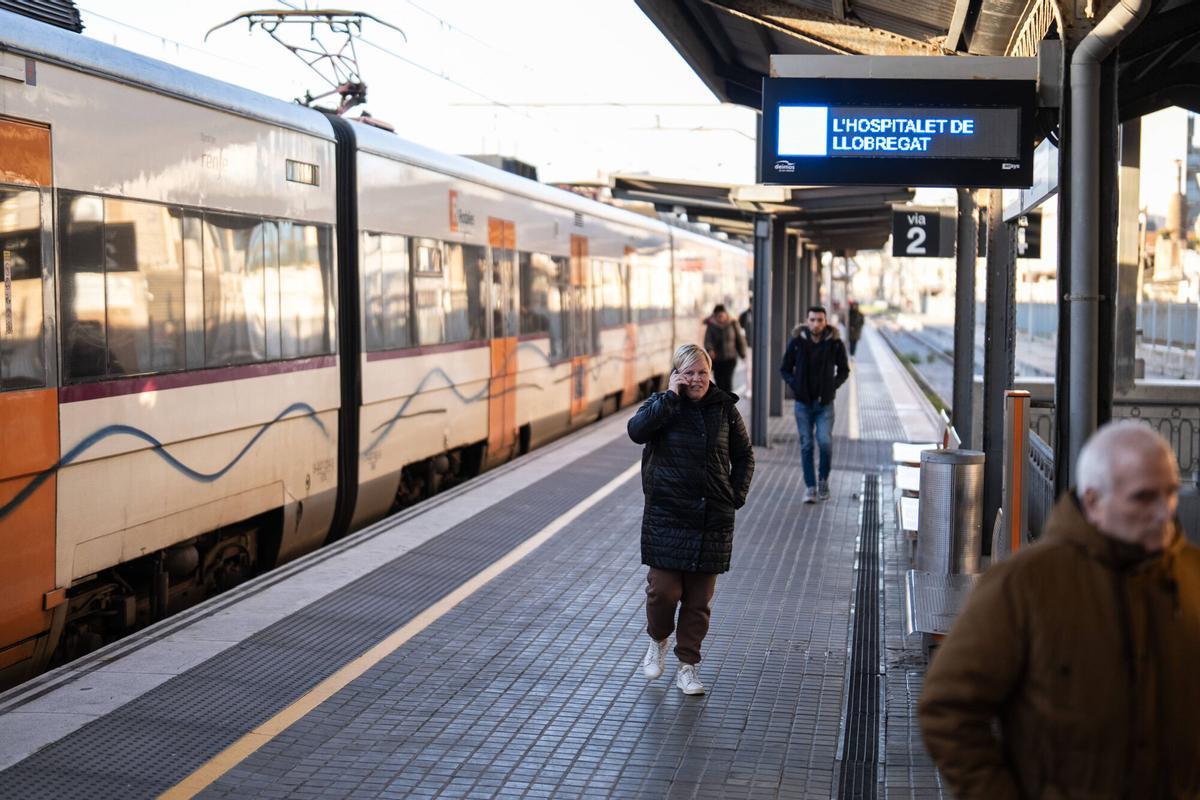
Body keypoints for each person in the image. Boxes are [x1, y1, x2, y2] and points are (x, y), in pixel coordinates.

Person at [919, 420, 1200, 799]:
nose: (1164, 512)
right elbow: (947, 707)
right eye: (1143, 497)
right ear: (1094, 501)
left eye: (1170, 493)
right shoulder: (1026, 583)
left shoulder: (1191, 576)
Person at [627, 343, 754, 696]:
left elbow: (744, 456)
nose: (697, 379)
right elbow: (636, 431)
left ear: (710, 373)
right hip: (667, 516)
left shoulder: (725, 409)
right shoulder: (661, 404)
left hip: (712, 518)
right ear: (676, 374)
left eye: (702, 372)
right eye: (689, 372)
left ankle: (688, 666)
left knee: (698, 603)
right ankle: (657, 640)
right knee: (663, 592)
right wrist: (669, 397)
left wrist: (735, 496)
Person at [779, 306, 849, 504]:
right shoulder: (797, 342)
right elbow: (784, 369)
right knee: (807, 445)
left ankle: (823, 481)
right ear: (806, 321)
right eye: (812, 320)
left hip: (825, 404)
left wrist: (831, 387)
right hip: (803, 404)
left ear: (825, 321)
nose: (816, 324)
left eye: (820, 320)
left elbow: (844, 370)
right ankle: (810, 487)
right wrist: (796, 386)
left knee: (825, 442)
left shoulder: (834, 343)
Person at [703, 304, 747, 393]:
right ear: (715, 316)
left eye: (722, 315)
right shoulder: (711, 326)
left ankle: (728, 404)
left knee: (728, 382)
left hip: (730, 359)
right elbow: (707, 341)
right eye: (718, 316)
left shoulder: (733, 323)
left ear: (726, 314)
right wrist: (710, 349)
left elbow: (739, 339)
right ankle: (721, 404)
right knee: (719, 382)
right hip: (716, 360)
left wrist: (742, 352)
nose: (720, 318)